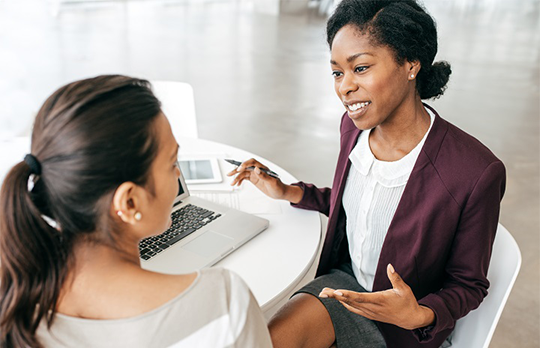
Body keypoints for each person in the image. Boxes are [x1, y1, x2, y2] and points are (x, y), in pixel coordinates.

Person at [228, 1, 506, 347]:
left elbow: (469, 285)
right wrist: (288, 191)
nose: (344, 87)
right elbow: (360, 205)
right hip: (345, 286)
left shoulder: (474, 171)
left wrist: (419, 314)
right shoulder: (354, 128)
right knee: (262, 341)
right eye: (337, 72)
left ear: (410, 64)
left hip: (401, 326)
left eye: (360, 68)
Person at [0, 75, 272, 348]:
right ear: (129, 202)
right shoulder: (222, 301)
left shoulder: (14, 302)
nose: (178, 173)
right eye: (170, 164)